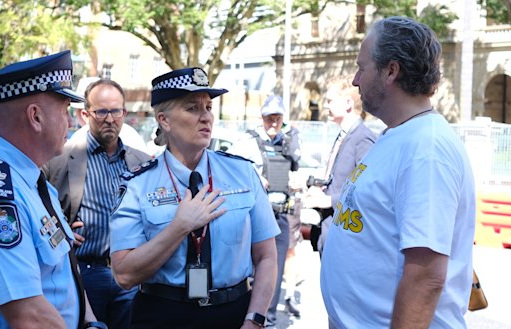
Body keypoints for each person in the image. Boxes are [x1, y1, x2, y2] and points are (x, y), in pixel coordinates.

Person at [320, 16, 476, 328]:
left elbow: (426, 277)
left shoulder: (426, 148)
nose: (354, 80)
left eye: (362, 67)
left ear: (391, 71)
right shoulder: (398, 135)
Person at [0, 51, 106, 329]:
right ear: (35, 117)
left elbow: (65, 275)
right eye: (64, 110)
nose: (72, 122)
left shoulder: (35, 184)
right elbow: (30, 316)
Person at [109, 67, 279, 329]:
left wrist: (255, 318)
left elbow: (267, 256)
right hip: (162, 316)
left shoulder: (243, 174)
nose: (206, 117)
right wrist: (179, 227)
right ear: (164, 120)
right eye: (192, 108)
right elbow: (124, 274)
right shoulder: (138, 184)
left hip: (234, 314)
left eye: (208, 107)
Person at [43, 78, 152, 328]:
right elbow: (38, 210)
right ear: (85, 114)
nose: (110, 119)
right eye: (101, 111)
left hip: (132, 277)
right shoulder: (58, 161)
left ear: (124, 112)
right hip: (86, 274)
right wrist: (60, 233)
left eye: (116, 111)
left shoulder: (143, 163)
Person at [230, 95, 302, 325]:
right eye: (269, 118)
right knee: (249, 271)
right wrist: (254, 177)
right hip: (254, 216)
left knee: (274, 269)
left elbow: (298, 169)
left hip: (280, 214)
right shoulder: (248, 141)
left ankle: (266, 319)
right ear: (261, 118)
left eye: (278, 119)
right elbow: (230, 169)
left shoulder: (289, 142)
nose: (273, 123)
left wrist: (296, 180)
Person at [303, 76, 376, 257]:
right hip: (329, 231)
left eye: (329, 101)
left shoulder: (363, 138)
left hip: (344, 237)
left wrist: (328, 200)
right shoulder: (344, 135)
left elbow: (366, 189)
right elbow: (339, 180)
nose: (325, 106)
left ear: (348, 103)